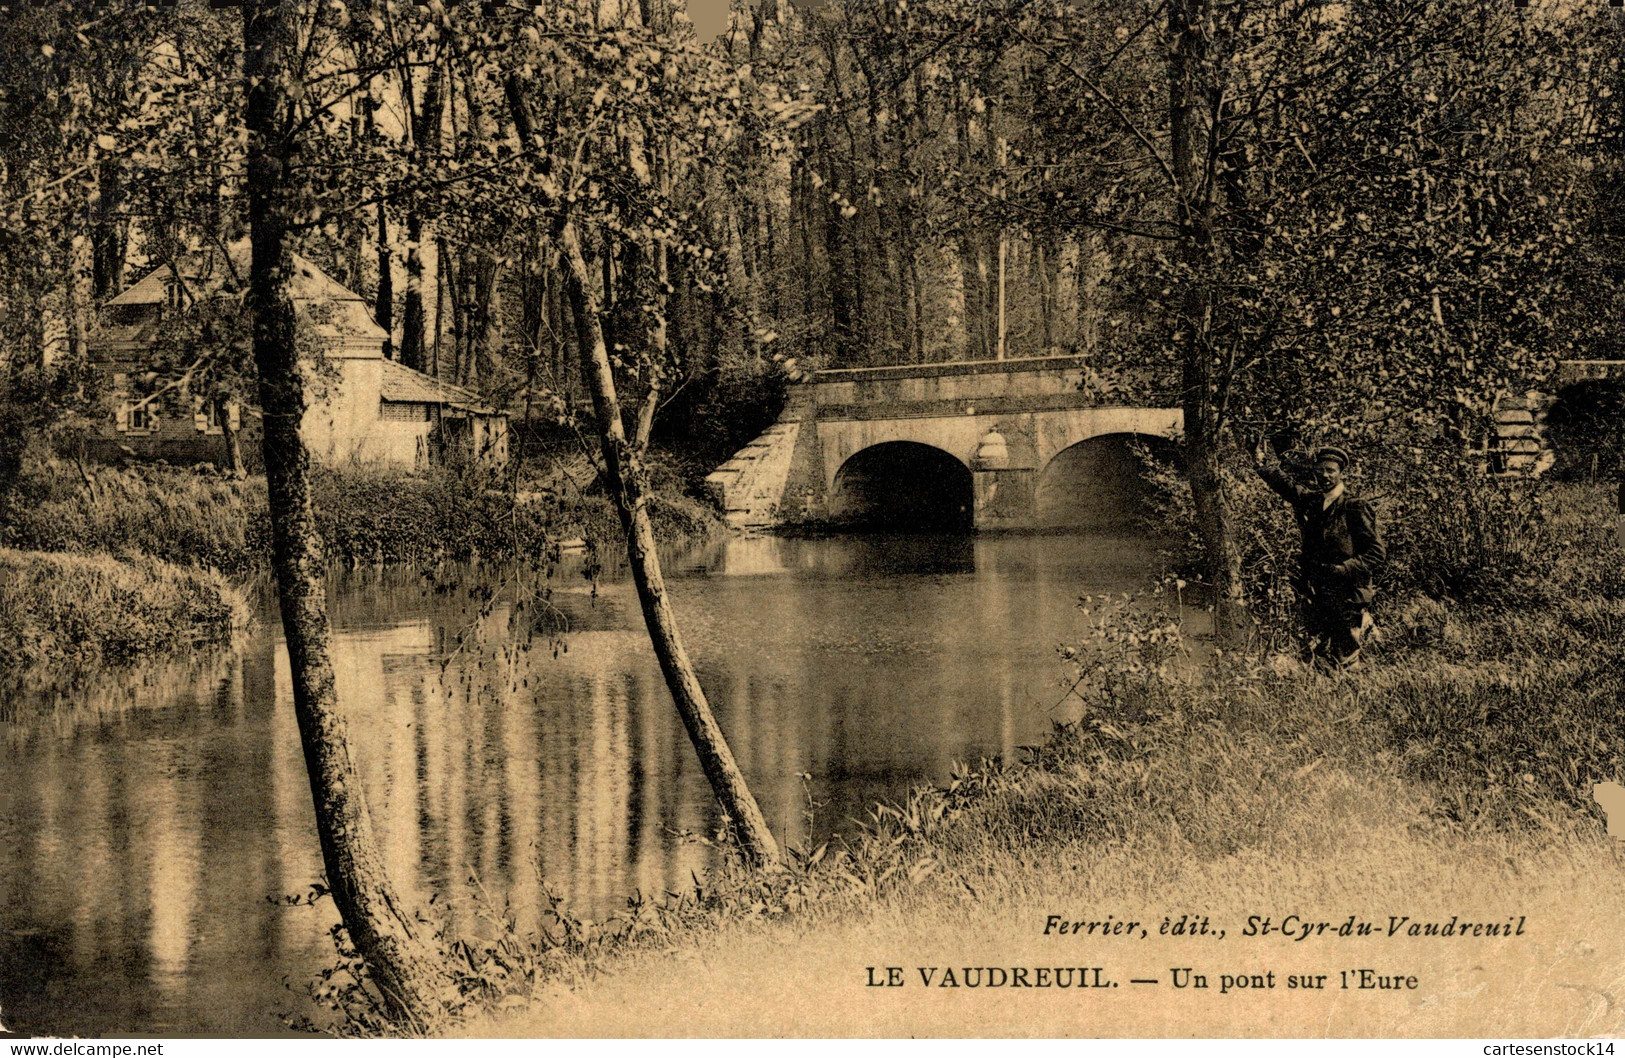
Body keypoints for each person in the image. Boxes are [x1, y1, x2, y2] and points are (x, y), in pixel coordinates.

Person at [1251, 442, 1387, 667]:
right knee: (1322, 653)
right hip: (1320, 590)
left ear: (1341, 473)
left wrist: (1345, 569)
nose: (1324, 475)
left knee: (1347, 654)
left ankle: (1354, 691)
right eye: (1320, 470)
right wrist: (1263, 466)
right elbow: (1289, 489)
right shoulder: (1315, 501)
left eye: (1330, 470)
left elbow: (1376, 552)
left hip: (1348, 592)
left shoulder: (1355, 506)